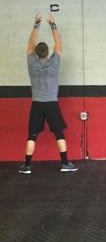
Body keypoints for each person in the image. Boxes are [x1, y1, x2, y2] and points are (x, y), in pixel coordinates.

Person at [19, 13, 78, 174]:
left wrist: (36, 25)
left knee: (32, 135)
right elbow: (58, 44)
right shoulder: (54, 63)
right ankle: (65, 163)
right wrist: (53, 25)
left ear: (36, 53)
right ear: (47, 52)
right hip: (51, 103)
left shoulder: (31, 62)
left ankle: (27, 166)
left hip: (37, 104)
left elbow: (30, 44)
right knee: (59, 133)